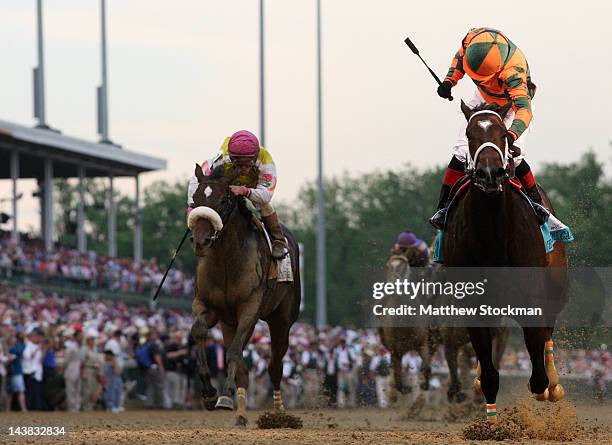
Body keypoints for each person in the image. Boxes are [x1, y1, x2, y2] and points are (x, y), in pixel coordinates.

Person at [431, 27, 548, 229]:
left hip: (512, 105)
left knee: (514, 156)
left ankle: (537, 204)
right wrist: (449, 81)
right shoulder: (471, 41)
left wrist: (511, 135)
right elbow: (459, 59)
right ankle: (443, 208)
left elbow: (524, 110)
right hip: (484, 97)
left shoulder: (514, 73)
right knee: (461, 151)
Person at [187, 130, 288, 259]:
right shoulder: (221, 158)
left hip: (254, 185)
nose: (243, 169)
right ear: (231, 158)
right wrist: (192, 208)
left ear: (255, 158)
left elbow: (266, 195)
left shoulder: (266, 162)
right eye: (239, 165)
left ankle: (278, 240)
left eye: (247, 165)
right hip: (227, 184)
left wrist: (245, 191)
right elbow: (196, 180)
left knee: (264, 205)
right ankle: (204, 236)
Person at [22, 329, 44, 410]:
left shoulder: (38, 346)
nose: (36, 338)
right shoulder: (28, 345)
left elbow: (40, 359)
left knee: (37, 392)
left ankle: (37, 408)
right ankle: (29, 408)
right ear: (30, 337)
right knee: (30, 392)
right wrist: (38, 349)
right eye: (34, 336)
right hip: (30, 372)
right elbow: (28, 356)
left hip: (37, 372)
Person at [63, 326, 84, 412]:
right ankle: (71, 408)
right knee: (70, 390)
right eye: (79, 336)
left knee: (78, 389)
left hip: (78, 369)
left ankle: (77, 407)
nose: (81, 337)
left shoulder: (81, 347)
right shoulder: (71, 347)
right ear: (75, 337)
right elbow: (66, 360)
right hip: (71, 369)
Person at [5, 331, 27, 412]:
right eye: (12, 338)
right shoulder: (8, 347)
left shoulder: (16, 347)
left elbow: (20, 349)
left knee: (20, 390)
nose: (13, 339)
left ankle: (23, 409)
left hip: (16, 371)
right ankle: (7, 409)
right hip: (9, 372)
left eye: (14, 338)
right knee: (10, 391)